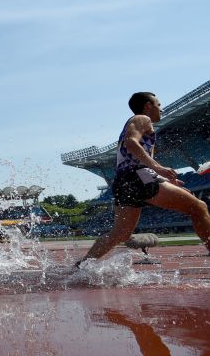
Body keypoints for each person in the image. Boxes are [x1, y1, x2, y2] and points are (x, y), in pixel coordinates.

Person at [77, 92, 210, 265]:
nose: (160, 109)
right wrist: (158, 168)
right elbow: (131, 142)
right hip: (138, 175)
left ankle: (82, 265)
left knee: (120, 234)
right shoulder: (142, 118)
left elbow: (133, 154)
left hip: (124, 180)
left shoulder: (138, 123)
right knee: (198, 207)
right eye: (158, 104)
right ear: (148, 105)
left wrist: (164, 178)